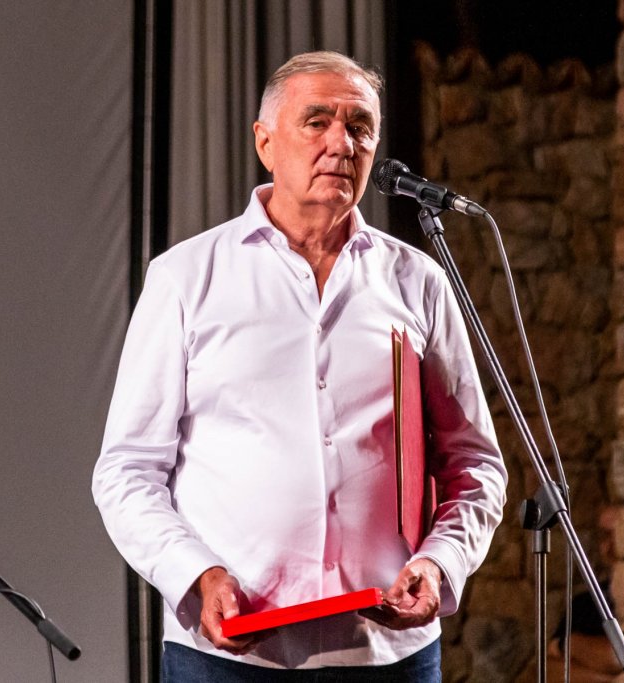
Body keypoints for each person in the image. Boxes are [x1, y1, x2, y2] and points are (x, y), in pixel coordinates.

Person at [92, 50, 507, 682]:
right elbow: (127, 470)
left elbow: (474, 463)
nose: (343, 142)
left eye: (360, 127)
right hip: (230, 659)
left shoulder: (417, 281)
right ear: (265, 142)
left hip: (385, 654)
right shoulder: (186, 278)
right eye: (318, 121)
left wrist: (441, 562)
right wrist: (197, 575)